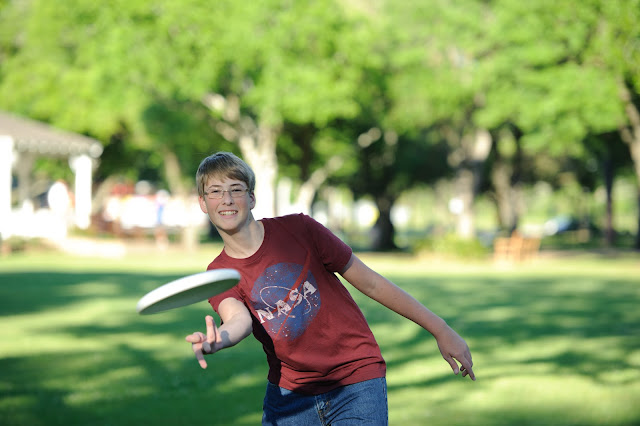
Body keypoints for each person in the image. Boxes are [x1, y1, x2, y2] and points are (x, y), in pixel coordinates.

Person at [186, 152, 475, 425]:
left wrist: (440, 328)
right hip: (290, 396)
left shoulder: (300, 229)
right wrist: (218, 339)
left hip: (356, 380)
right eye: (215, 191)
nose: (227, 199)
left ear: (251, 198)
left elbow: (371, 283)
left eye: (236, 189)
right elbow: (238, 320)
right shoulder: (219, 273)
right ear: (203, 203)